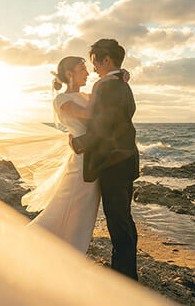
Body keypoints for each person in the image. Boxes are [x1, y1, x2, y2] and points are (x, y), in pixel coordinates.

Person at [26, 56, 126, 255]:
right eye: (82, 69)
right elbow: (90, 115)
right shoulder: (62, 99)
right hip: (81, 161)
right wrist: (102, 83)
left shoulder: (88, 96)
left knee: (84, 212)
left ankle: (71, 252)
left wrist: (121, 77)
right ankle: (33, 245)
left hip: (93, 157)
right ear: (69, 74)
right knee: (68, 207)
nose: (88, 73)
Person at [70, 39, 139, 280]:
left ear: (106, 60)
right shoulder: (119, 83)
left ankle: (124, 277)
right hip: (126, 158)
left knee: (118, 221)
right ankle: (126, 272)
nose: (94, 68)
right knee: (124, 219)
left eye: (95, 62)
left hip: (114, 161)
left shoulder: (108, 86)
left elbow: (104, 124)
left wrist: (78, 143)